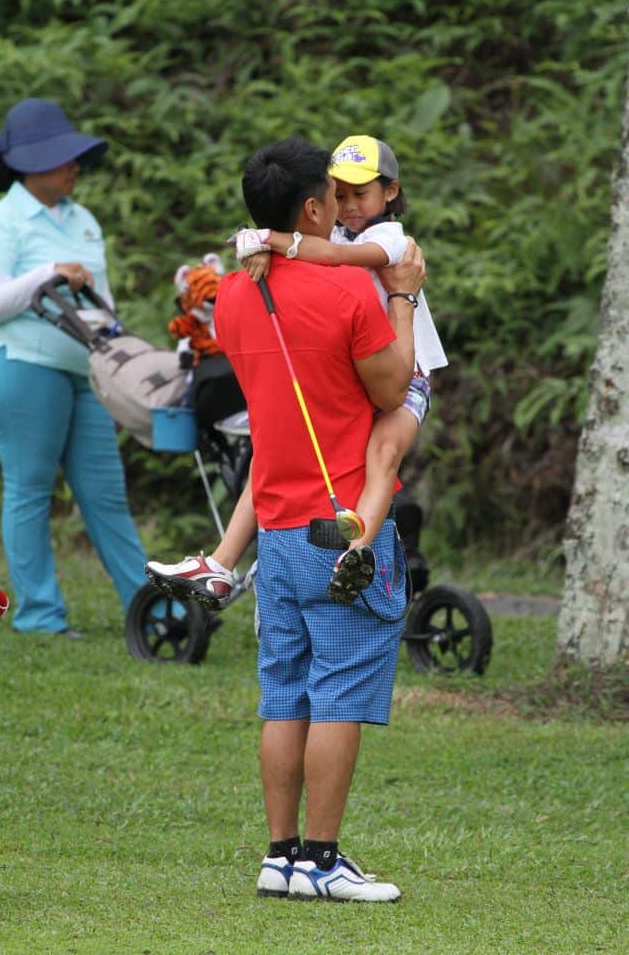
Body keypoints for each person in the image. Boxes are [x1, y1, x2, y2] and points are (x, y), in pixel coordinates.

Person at [182, 135, 423, 901]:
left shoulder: (234, 293)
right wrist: (404, 298)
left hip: (276, 523)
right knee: (341, 692)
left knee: (284, 692)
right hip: (344, 515)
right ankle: (322, 862)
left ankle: (279, 856)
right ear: (315, 208)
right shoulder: (356, 287)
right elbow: (391, 392)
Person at [146, 133, 446, 606]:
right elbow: (319, 249)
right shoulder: (338, 242)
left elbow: (326, 255)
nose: (346, 206)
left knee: (381, 455)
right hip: (366, 379)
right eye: (338, 194)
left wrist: (269, 238)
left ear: (390, 192)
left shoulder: (385, 239)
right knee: (271, 452)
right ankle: (223, 561)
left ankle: (357, 547)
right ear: (317, 205)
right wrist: (275, 244)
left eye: (359, 194)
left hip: (406, 375)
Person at [0, 98, 147, 637]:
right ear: (28, 165)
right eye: (61, 158)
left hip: (88, 374)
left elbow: (100, 301)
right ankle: (39, 615)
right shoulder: (2, 220)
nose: (74, 165)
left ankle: (151, 607)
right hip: (24, 368)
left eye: (74, 156)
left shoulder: (84, 221)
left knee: (107, 498)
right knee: (30, 490)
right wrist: (48, 273)